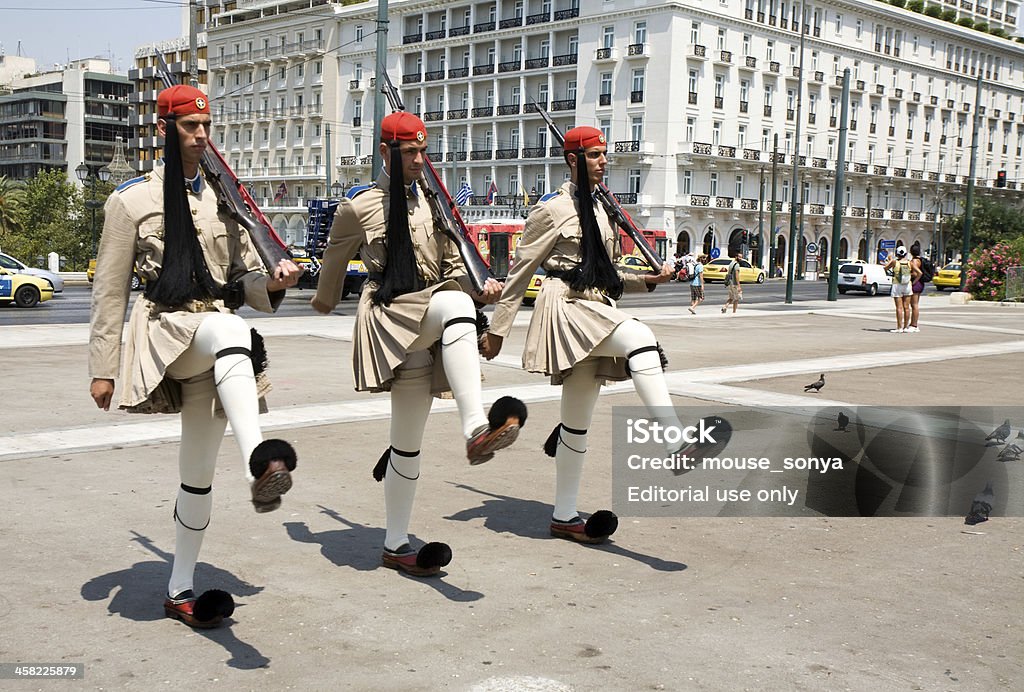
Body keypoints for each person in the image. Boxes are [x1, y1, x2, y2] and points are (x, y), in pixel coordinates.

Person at [89, 85, 303, 628]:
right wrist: (102, 368)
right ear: (166, 130)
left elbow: (242, 279)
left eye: (205, 126)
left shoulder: (224, 199)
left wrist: (275, 281)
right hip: (168, 332)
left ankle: (180, 589)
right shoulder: (131, 200)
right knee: (230, 328)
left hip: (217, 342)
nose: (201, 135)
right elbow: (110, 291)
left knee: (197, 474)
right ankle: (260, 458)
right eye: (189, 126)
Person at [311, 111, 526, 577]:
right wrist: (324, 301)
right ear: (385, 153)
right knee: (405, 443)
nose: (419, 160)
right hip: (390, 315)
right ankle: (474, 429)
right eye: (410, 152)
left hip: (427, 316)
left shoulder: (433, 204)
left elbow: (451, 266)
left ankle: (395, 544)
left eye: (423, 151)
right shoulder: (358, 205)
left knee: (454, 307)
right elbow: (332, 261)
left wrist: (478, 286)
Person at [480, 126, 679, 546]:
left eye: (604, 155)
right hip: (565, 306)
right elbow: (520, 273)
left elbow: (607, 273)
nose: (604, 161)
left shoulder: (604, 210)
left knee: (576, 424)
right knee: (639, 338)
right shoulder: (551, 210)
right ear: (573, 160)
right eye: (595, 156)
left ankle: (564, 516)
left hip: (596, 303)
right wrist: (499, 330)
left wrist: (650, 279)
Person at [883, 245, 919, 333]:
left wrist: (890, 260)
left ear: (897, 253)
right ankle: (906, 327)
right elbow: (919, 273)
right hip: (907, 285)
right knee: (907, 307)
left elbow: (885, 268)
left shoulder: (895, 262)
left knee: (899, 307)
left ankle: (899, 327)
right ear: (906, 254)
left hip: (897, 285)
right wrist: (913, 282)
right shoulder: (909, 263)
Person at [907, 242, 925, 333]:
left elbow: (915, 273)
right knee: (915, 304)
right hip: (920, 283)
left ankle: (913, 324)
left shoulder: (914, 261)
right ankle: (914, 324)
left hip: (916, 283)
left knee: (914, 305)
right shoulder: (920, 259)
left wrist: (908, 275)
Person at [721, 248, 743, 314]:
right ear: (736, 257)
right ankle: (734, 311)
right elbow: (736, 276)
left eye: (741, 257)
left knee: (731, 297)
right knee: (736, 298)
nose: (741, 258)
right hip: (734, 284)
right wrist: (739, 286)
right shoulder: (737, 265)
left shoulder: (731, 264)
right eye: (739, 257)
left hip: (730, 283)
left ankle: (725, 307)